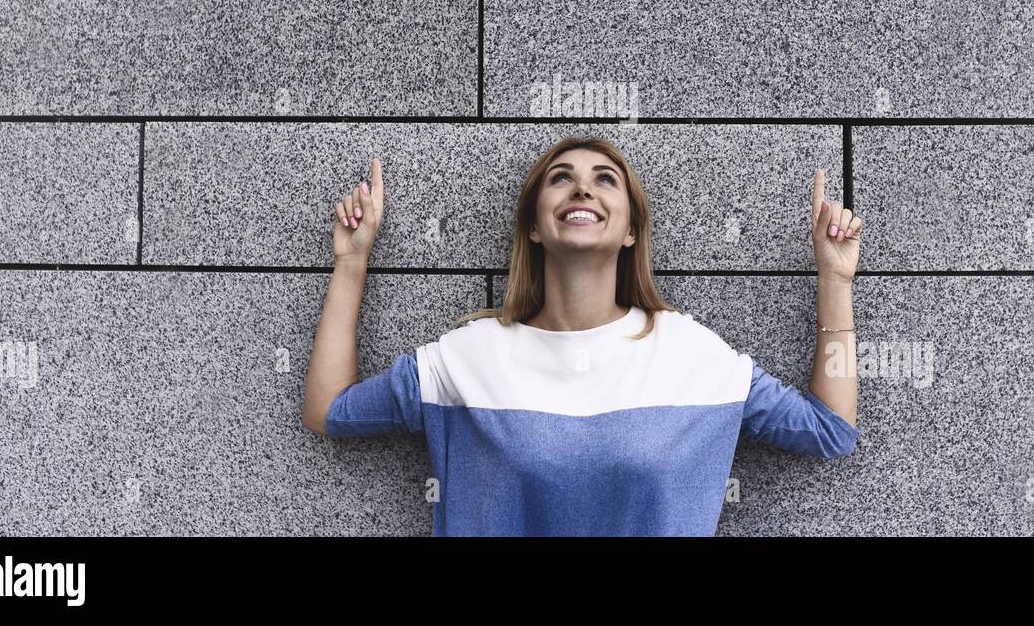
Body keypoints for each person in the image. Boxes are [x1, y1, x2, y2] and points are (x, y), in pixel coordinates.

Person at [302, 135, 862, 535]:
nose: (582, 190)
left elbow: (831, 430)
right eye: (561, 178)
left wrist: (835, 279)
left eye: (604, 180)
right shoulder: (468, 357)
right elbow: (328, 410)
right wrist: (351, 262)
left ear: (630, 231)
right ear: (533, 225)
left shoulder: (690, 354)